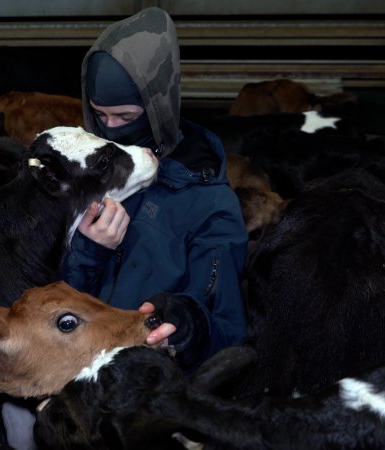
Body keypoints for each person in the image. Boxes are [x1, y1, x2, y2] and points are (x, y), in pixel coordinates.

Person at [60, 6, 249, 370]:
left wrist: (189, 324)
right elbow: (43, 300)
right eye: (99, 114)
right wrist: (89, 253)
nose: (110, 128)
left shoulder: (209, 204)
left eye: (126, 117)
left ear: (158, 108)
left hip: (137, 382)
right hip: (67, 365)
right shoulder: (80, 167)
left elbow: (231, 334)